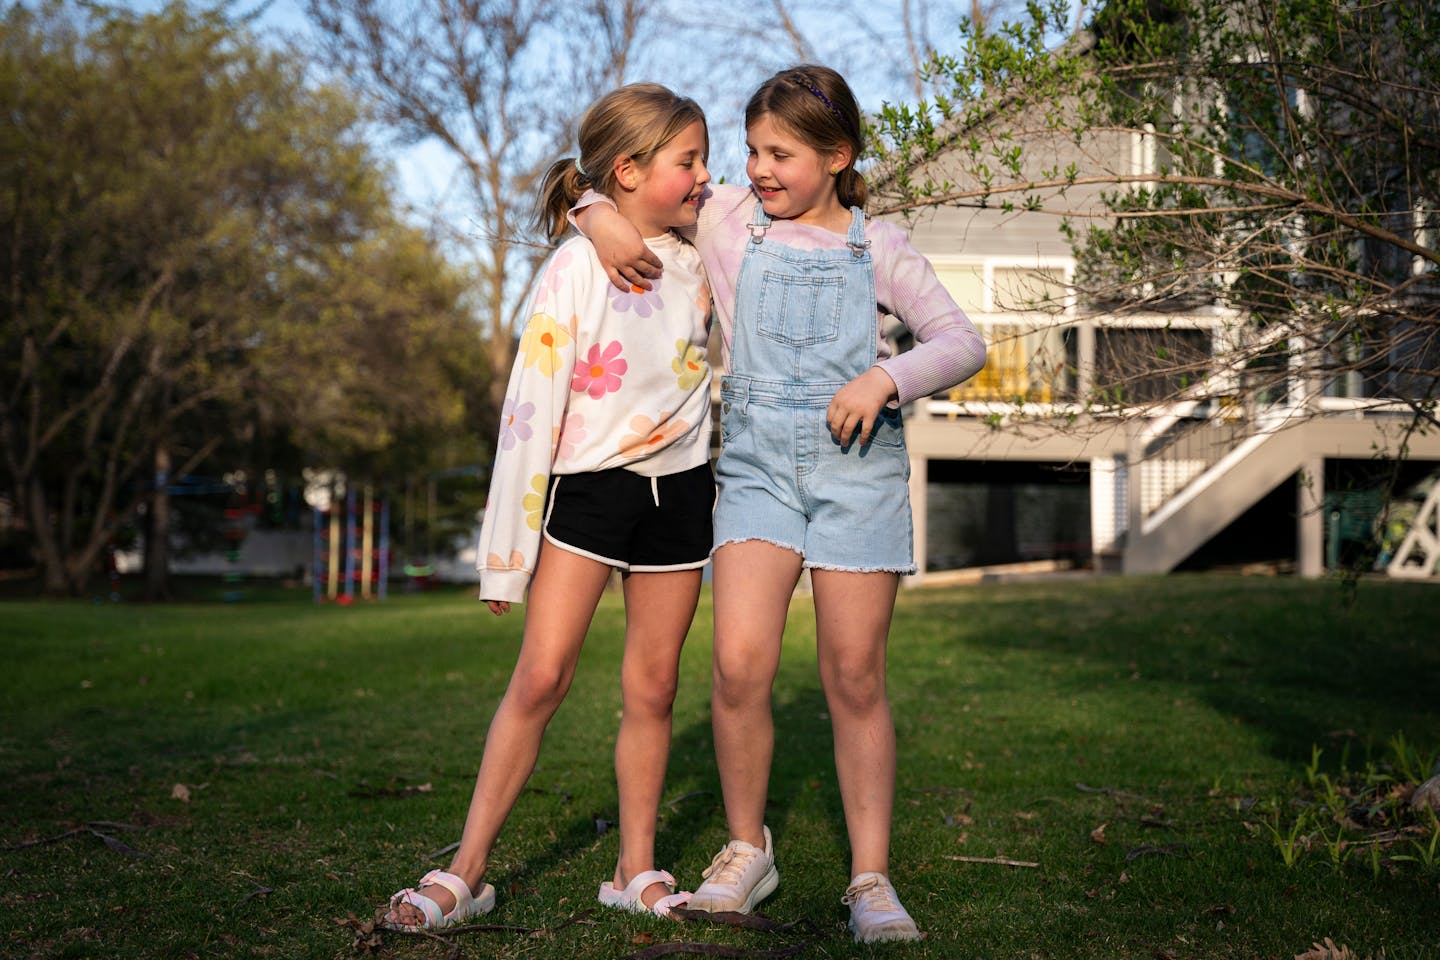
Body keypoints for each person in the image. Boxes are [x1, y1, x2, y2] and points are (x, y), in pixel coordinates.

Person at [572, 65, 986, 943]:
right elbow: (614, 174)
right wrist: (596, 215)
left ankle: (870, 879)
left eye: (781, 153)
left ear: (837, 157)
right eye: (752, 148)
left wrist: (887, 375)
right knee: (737, 665)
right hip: (756, 470)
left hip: (857, 474)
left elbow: (961, 340)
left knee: (853, 675)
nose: (757, 167)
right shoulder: (728, 220)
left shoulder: (884, 248)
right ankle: (745, 848)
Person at [382, 82, 715, 931]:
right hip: (589, 490)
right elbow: (528, 413)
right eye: (689, 161)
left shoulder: (707, 251)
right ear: (632, 169)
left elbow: (763, 198)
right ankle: (466, 871)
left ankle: (633, 868)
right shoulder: (573, 267)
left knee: (655, 686)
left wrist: (593, 201)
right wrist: (507, 551)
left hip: (682, 495)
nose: (706, 176)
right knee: (541, 676)